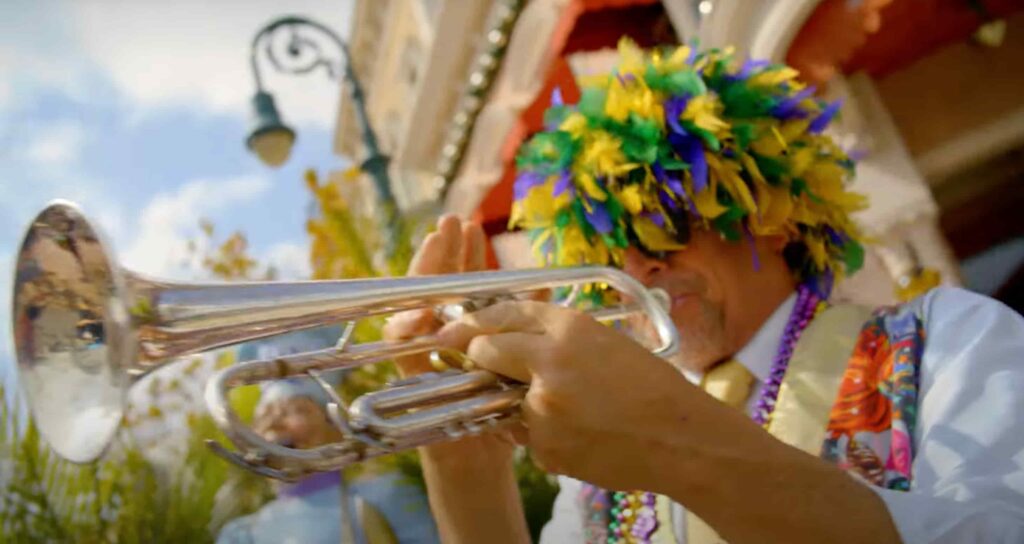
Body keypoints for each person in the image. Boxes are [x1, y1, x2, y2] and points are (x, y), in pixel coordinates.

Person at [383, 40, 1024, 543]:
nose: (638, 267)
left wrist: (675, 444)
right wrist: (464, 471)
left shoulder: (946, 338)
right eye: (609, 250)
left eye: (662, 225)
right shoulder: (599, 472)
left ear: (772, 215)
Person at [217, 327, 441, 544]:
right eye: (265, 415)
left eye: (295, 410)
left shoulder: (387, 496)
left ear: (335, 429)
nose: (274, 425)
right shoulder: (242, 534)